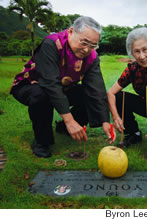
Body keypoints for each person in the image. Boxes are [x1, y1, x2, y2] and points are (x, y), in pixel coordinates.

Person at [10, 16, 115, 158]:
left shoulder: (92, 57)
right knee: (41, 96)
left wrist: (104, 120)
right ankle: (42, 142)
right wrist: (69, 120)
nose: (86, 49)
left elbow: (95, 88)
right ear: (71, 31)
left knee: (88, 94)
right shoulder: (51, 43)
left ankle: (64, 129)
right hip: (31, 85)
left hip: (64, 87)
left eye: (92, 45)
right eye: (84, 42)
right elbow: (50, 84)